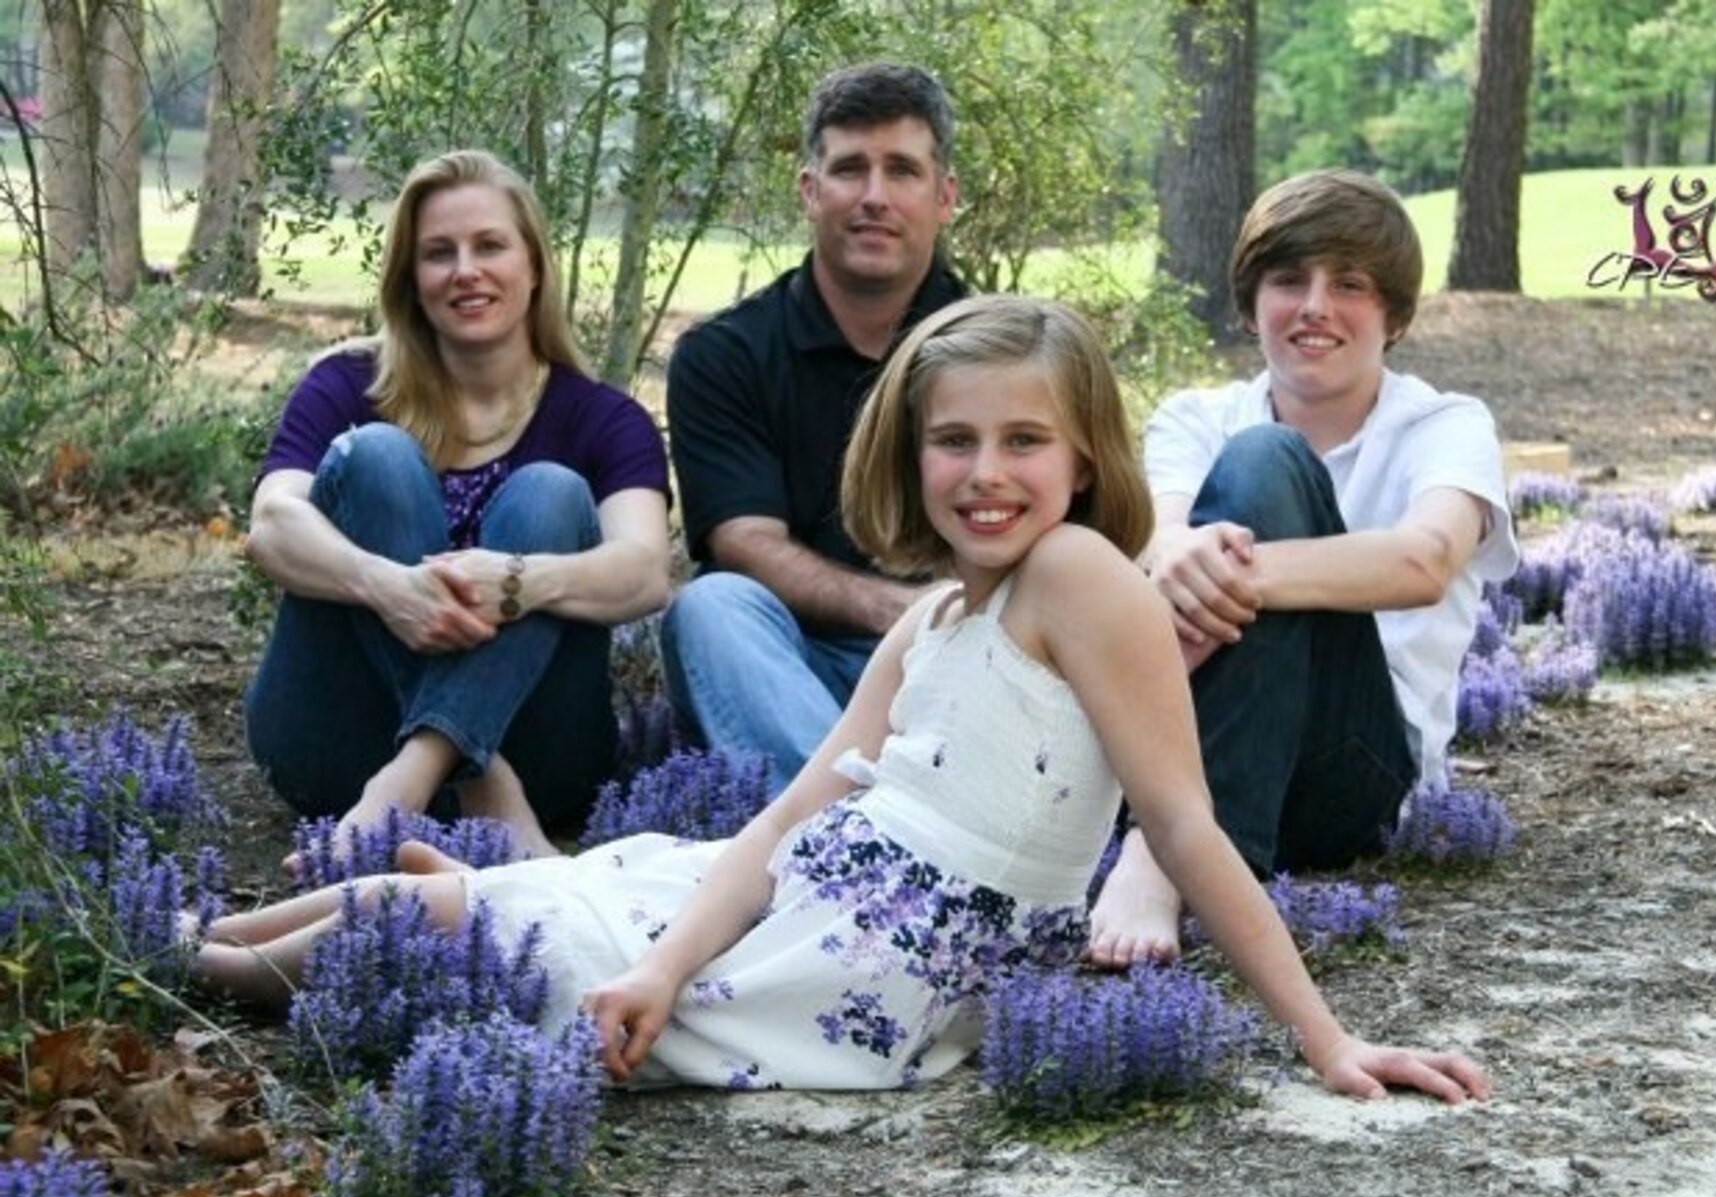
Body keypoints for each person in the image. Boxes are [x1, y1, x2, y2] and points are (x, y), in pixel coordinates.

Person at [197, 295, 1490, 1105]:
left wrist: (1328, 1043)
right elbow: (778, 827)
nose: (986, 474)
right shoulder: (932, 620)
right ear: (909, 451)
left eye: (1024, 440)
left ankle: (185, 967)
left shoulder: (1082, 577)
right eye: (954, 440)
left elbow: (1188, 828)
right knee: (485, 898)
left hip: (876, 964)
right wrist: (662, 957)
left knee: (447, 918)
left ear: (1086, 454)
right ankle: (198, 941)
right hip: (815, 895)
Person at [1087, 169, 1521, 968]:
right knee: (1252, 468)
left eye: (1349, 284)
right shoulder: (1195, 416)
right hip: (1183, 735)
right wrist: (1169, 548)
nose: (1315, 305)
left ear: (1391, 315)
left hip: (1349, 769)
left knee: (1263, 466)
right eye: (1290, 280)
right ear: (1253, 303)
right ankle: (1187, 833)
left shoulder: (1445, 424)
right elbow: (1151, 535)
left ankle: (1162, 854)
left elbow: (1422, 560)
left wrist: (1220, 568)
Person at [243, 150, 672, 860]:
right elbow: (271, 526)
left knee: (553, 493)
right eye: (439, 253)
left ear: (534, 266)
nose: (465, 270)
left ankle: (408, 782)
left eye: (490, 246)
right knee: (376, 455)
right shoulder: (347, 384)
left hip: (543, 758)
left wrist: (519, 581)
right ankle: (481, 782)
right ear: (413, 280)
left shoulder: (603, 420)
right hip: (338, 746)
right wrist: (388, 587)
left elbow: (644, 570)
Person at [661, 62, 966, 797]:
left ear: (944, 196)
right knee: (709, 606)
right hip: (792, 664)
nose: (873, 197)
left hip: (960, 658)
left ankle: (847, 831)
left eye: (901, 171)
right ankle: (856, 831)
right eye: (849, 169)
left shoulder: (1005, 351)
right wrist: (896, 608)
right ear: (809, 190)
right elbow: (744, 542)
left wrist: (944, 621)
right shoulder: (725, 356)